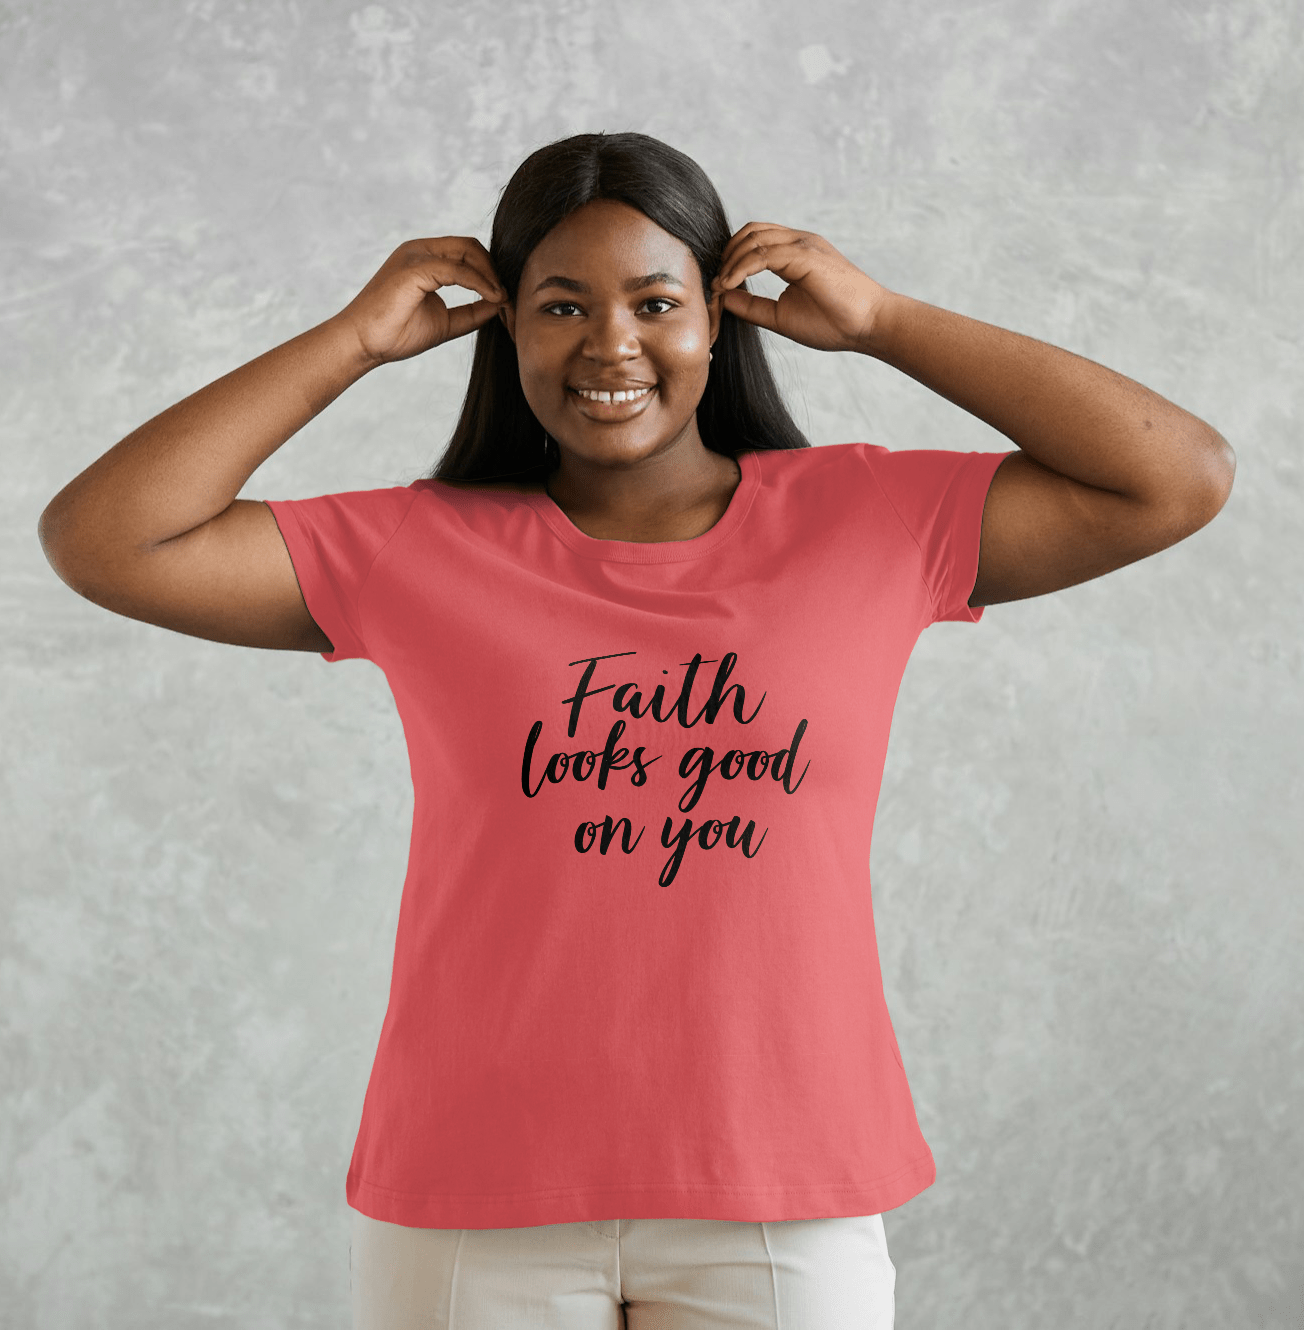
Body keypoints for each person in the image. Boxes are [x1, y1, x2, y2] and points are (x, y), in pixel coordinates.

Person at [37, 131, 1235, 1330]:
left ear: (718, 319)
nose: (610, 343)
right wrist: (350, 341)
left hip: (779, 1184)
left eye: (655, 303)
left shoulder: (868, 519)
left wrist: (884, 321)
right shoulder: (418, 546)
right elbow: (104, 539)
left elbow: (1175, 475)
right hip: (476, 1185)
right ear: (507, 327)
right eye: (561, 305)